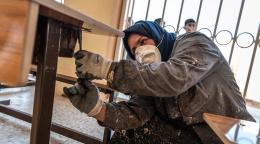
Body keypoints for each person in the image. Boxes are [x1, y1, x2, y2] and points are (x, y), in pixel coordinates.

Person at [64, 21, 255, 143]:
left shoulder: (194, 42)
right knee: (131, 133)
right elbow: (137, 113)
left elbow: (174, 78)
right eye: (133, 50)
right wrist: (98, 109)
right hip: (188, 137)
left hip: (227, 135)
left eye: (143, 41)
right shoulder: (149, 77)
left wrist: (108, 69)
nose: (139, 50)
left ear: (158, 36)